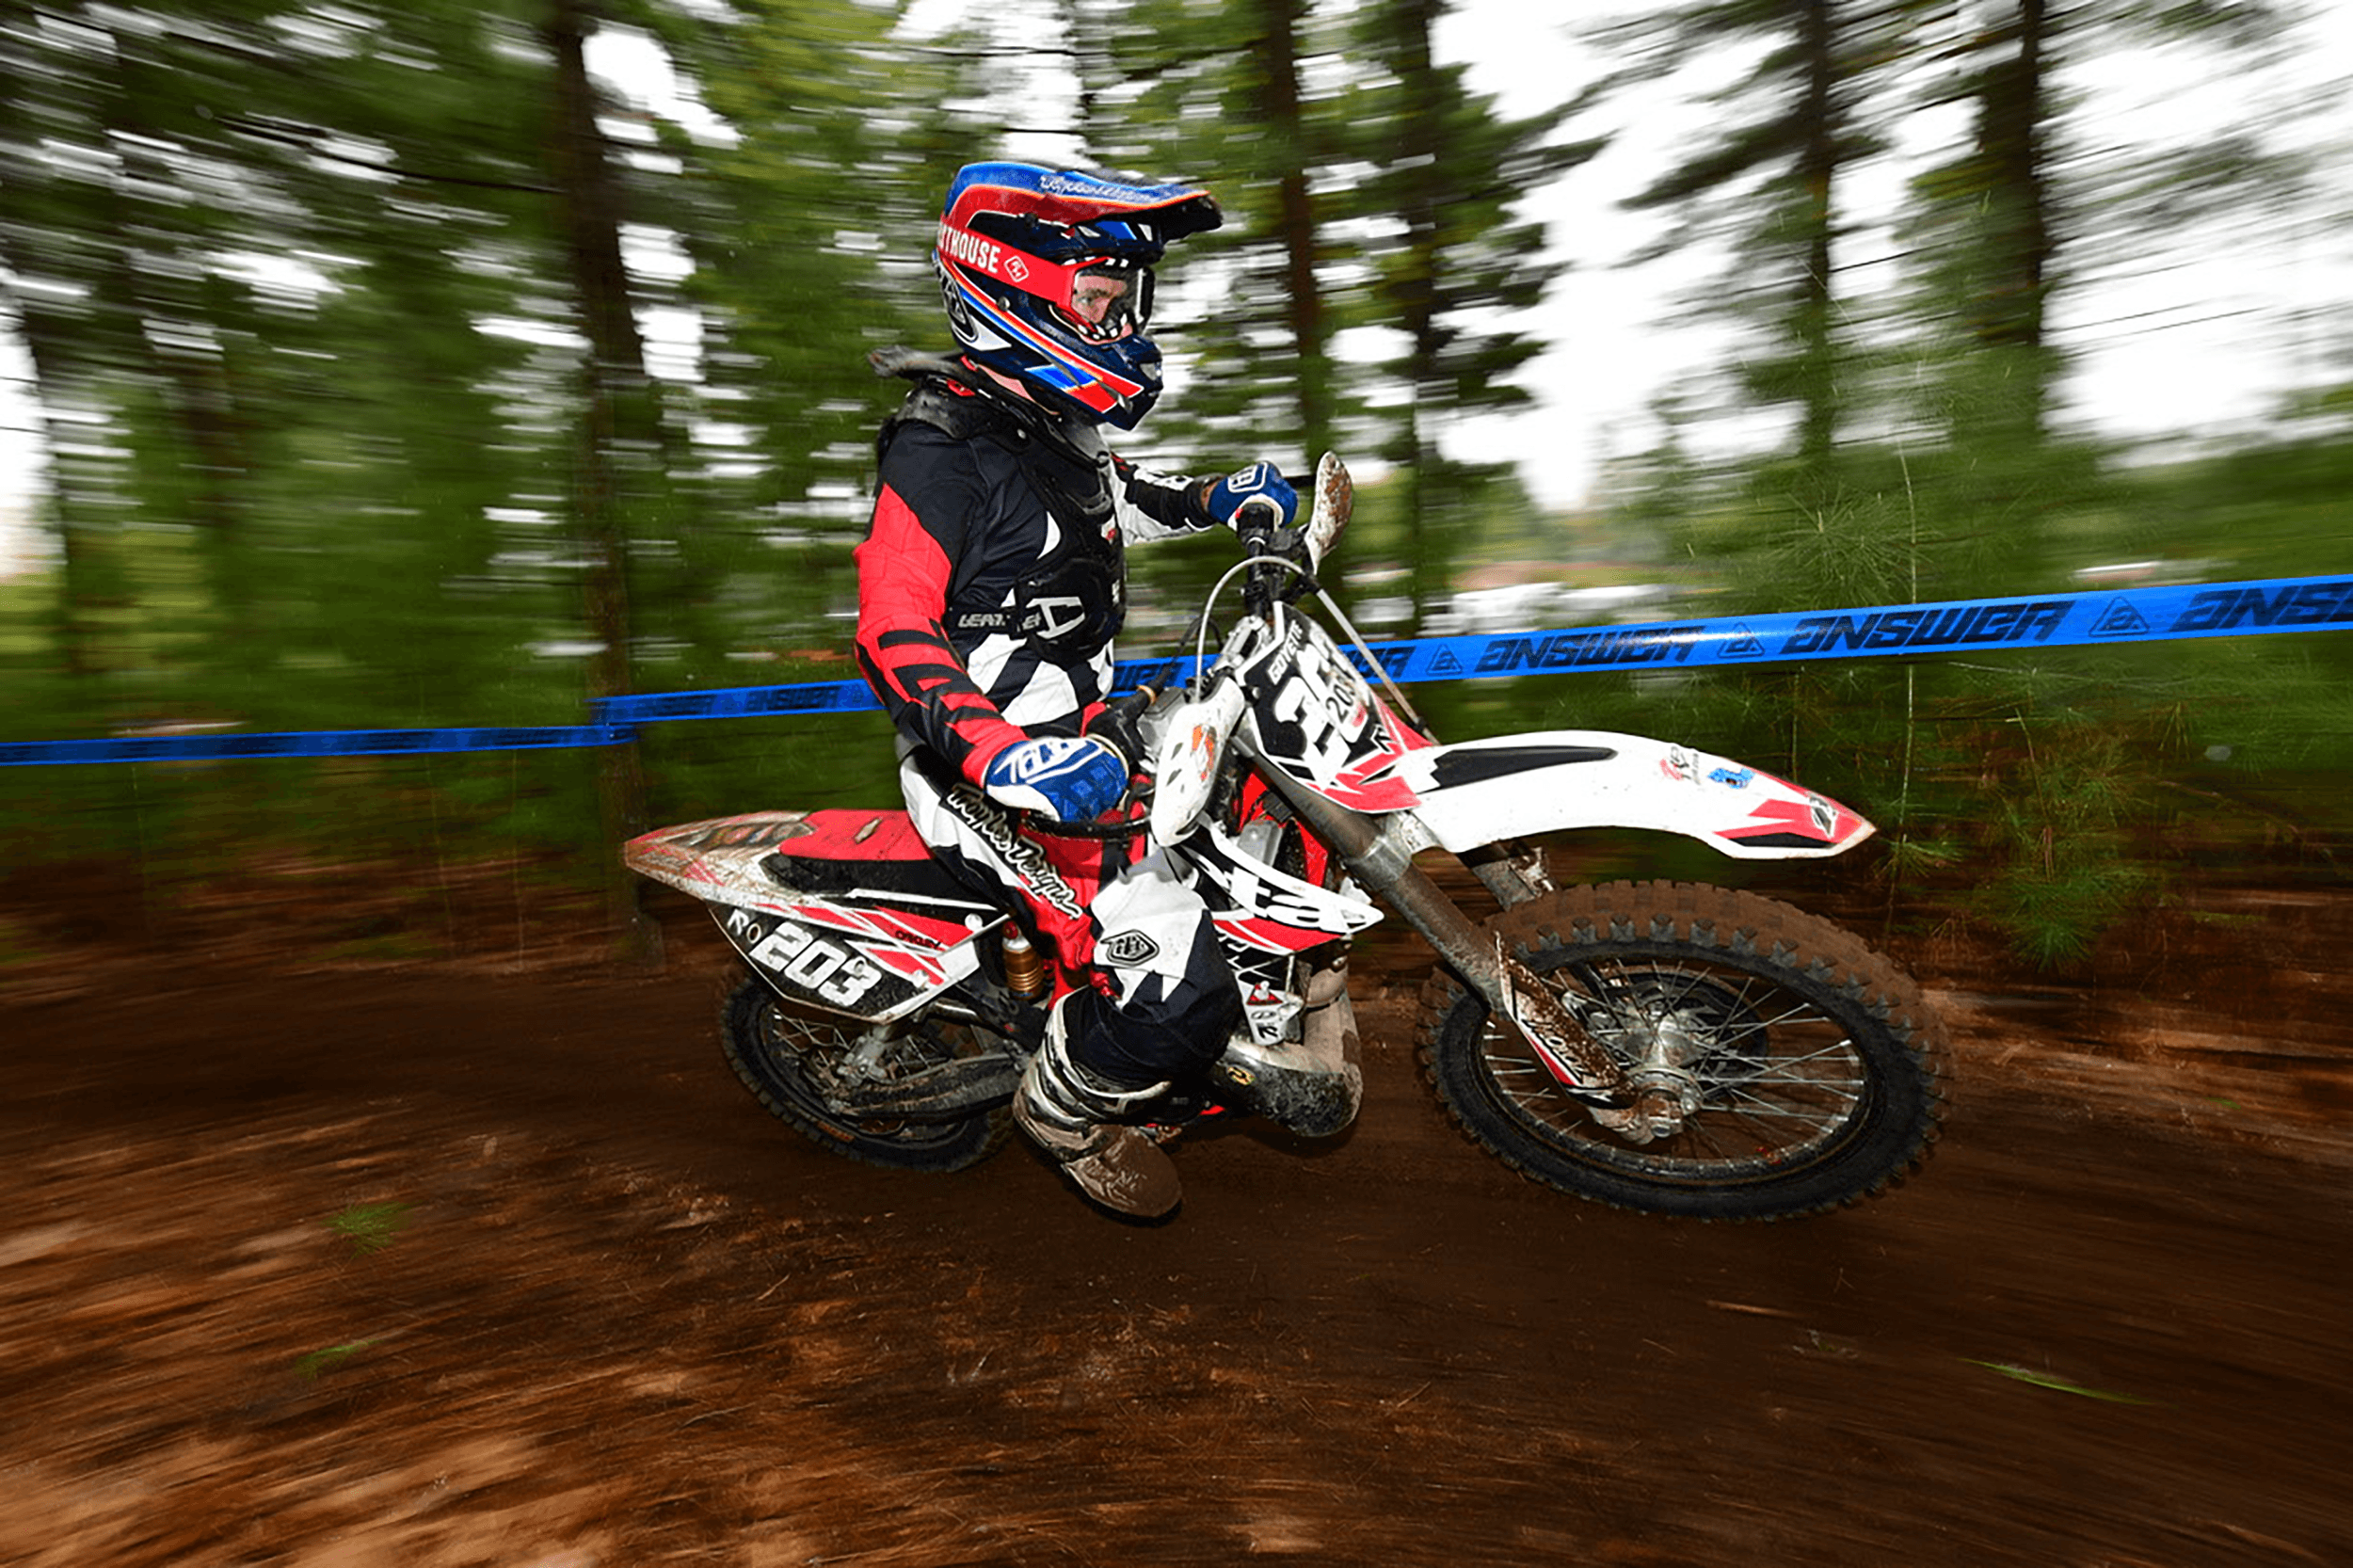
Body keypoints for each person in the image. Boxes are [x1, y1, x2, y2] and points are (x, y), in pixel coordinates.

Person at [854, 161, 1299, 1220]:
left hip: (1087, 727)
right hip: (992, 766)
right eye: (1098, 301)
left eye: (1121, 303)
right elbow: (890, 623)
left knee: (1257, 805)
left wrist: (1212, 498)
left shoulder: (1053, 427)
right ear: (1013, 292)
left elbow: (1106, 507)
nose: (1119, 323)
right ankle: (1064, 1106)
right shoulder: (938, 447)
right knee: (1174, 997)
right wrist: (1000, 752)